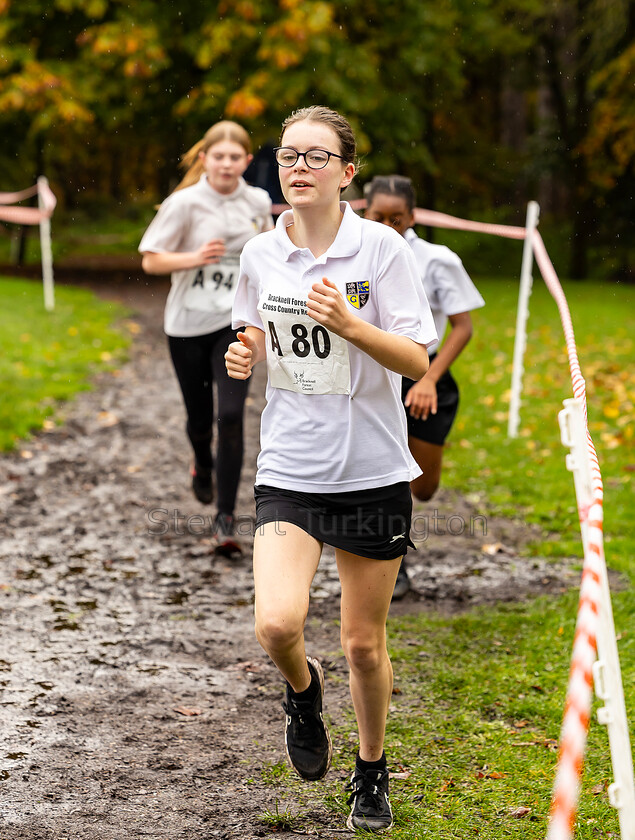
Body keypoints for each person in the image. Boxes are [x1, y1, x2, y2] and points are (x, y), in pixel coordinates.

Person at [225, 106, 437, 833]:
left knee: (360, 643)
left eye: (317, 157)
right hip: (290, 465)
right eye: (289, 156)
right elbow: (253, 322)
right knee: (277, 625)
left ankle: (370, 772)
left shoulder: (380, 250)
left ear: (347, 173)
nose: (300, 168)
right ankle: (303, 694)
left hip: (374, 470)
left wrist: (352, 327)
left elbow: (416, 358)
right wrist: (244, 350)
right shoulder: (260, 254)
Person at [139, 121, 273, 555]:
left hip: (235, 324)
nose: (227, 164)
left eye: (236, 157)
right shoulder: (184, 203)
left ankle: (225, 521)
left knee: (231, 417)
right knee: (200, 419)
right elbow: (150, 261)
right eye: (220, 156)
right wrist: (195, 257)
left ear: (247, 163)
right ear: (205, 160)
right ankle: (202, 462)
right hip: (187, 325)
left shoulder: (257, 202)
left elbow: (271, 257)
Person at [363, 175, 485, 598]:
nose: (389, 225)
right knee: (387, 475)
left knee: (423, 486)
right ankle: (393, 563)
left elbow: (462, 327)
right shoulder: (352, 252)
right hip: (375, 377)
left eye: (398, 219)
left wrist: (429, 379)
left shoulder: (436, 259)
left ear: (412, 217)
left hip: (425, 377)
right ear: (365, 210)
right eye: (379, 217)